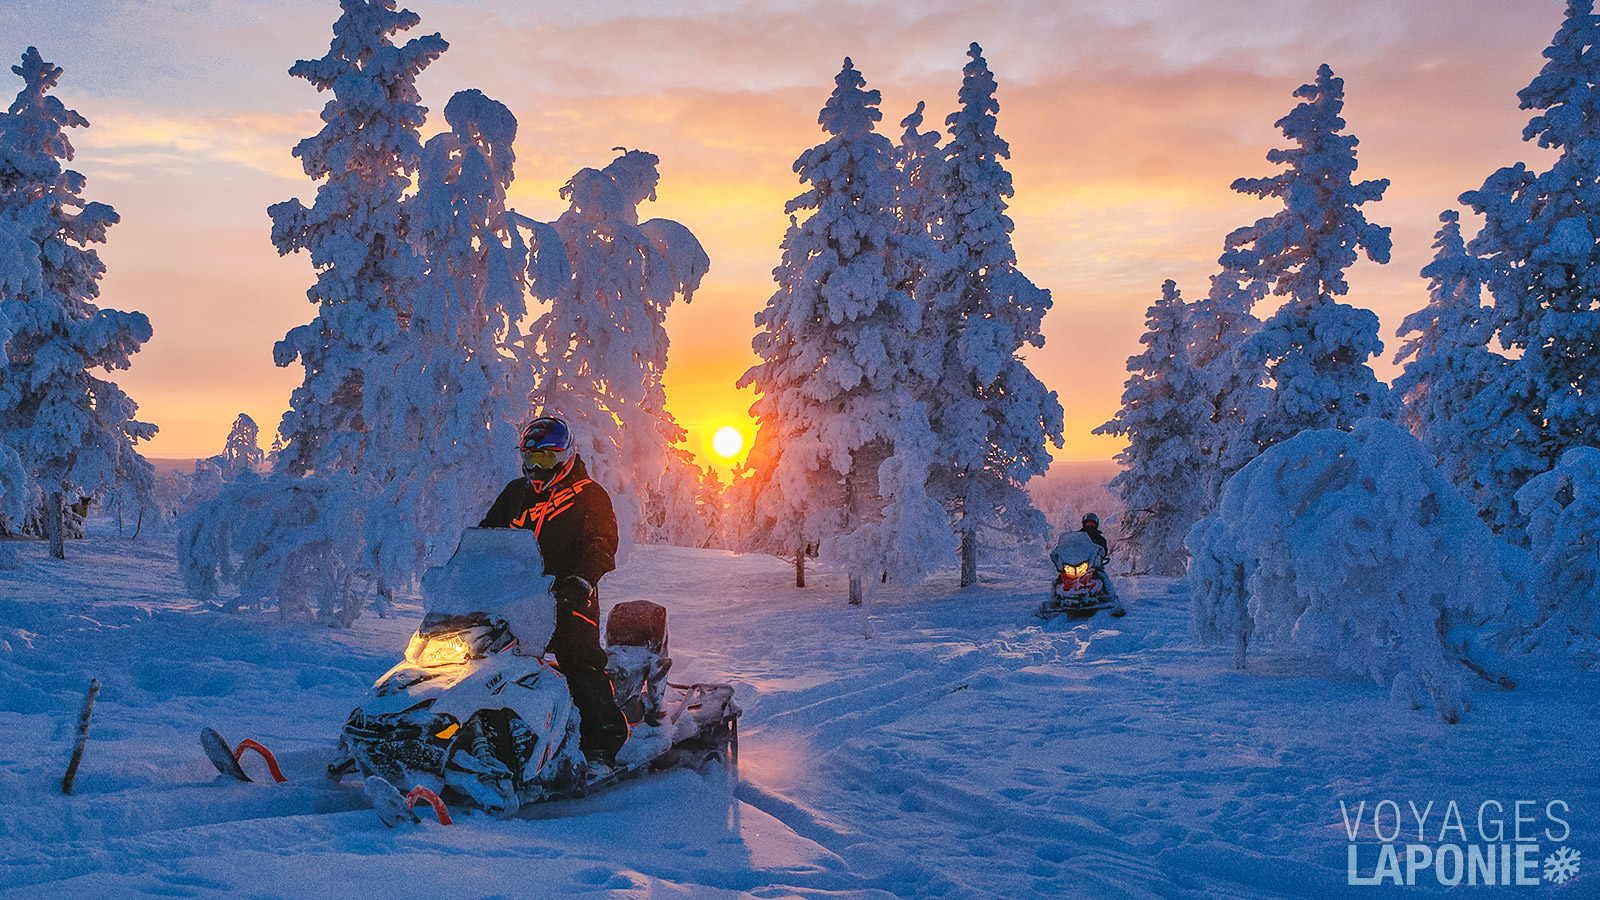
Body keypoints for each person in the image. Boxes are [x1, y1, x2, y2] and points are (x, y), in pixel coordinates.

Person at [479, 416, 629, 768]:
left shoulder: (590, 496)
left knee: (578, 661)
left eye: (544, 460)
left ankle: (603, 742)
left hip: (569, 598)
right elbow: (487, 535)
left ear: (564, 458)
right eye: (529, 459)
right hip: (515, 600)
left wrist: (580, 582)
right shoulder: (516, 494)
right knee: (478, 659)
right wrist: (471, 569)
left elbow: (602, 544)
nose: (535, 468)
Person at [1077, 512, 1125, 616]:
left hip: (1094, 565)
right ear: (1084, 524)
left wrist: (1100, 554)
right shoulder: (1078, 536)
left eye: (1092, 524)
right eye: (1088, 524)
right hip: (1077, 564)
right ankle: (1054, 599)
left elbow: (1104, 551)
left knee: (1103, 578)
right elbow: (1070, 547)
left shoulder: (1099, 539)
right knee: (1060, 579)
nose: (1089, 526)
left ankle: (1112, 599)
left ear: (1096, 525)